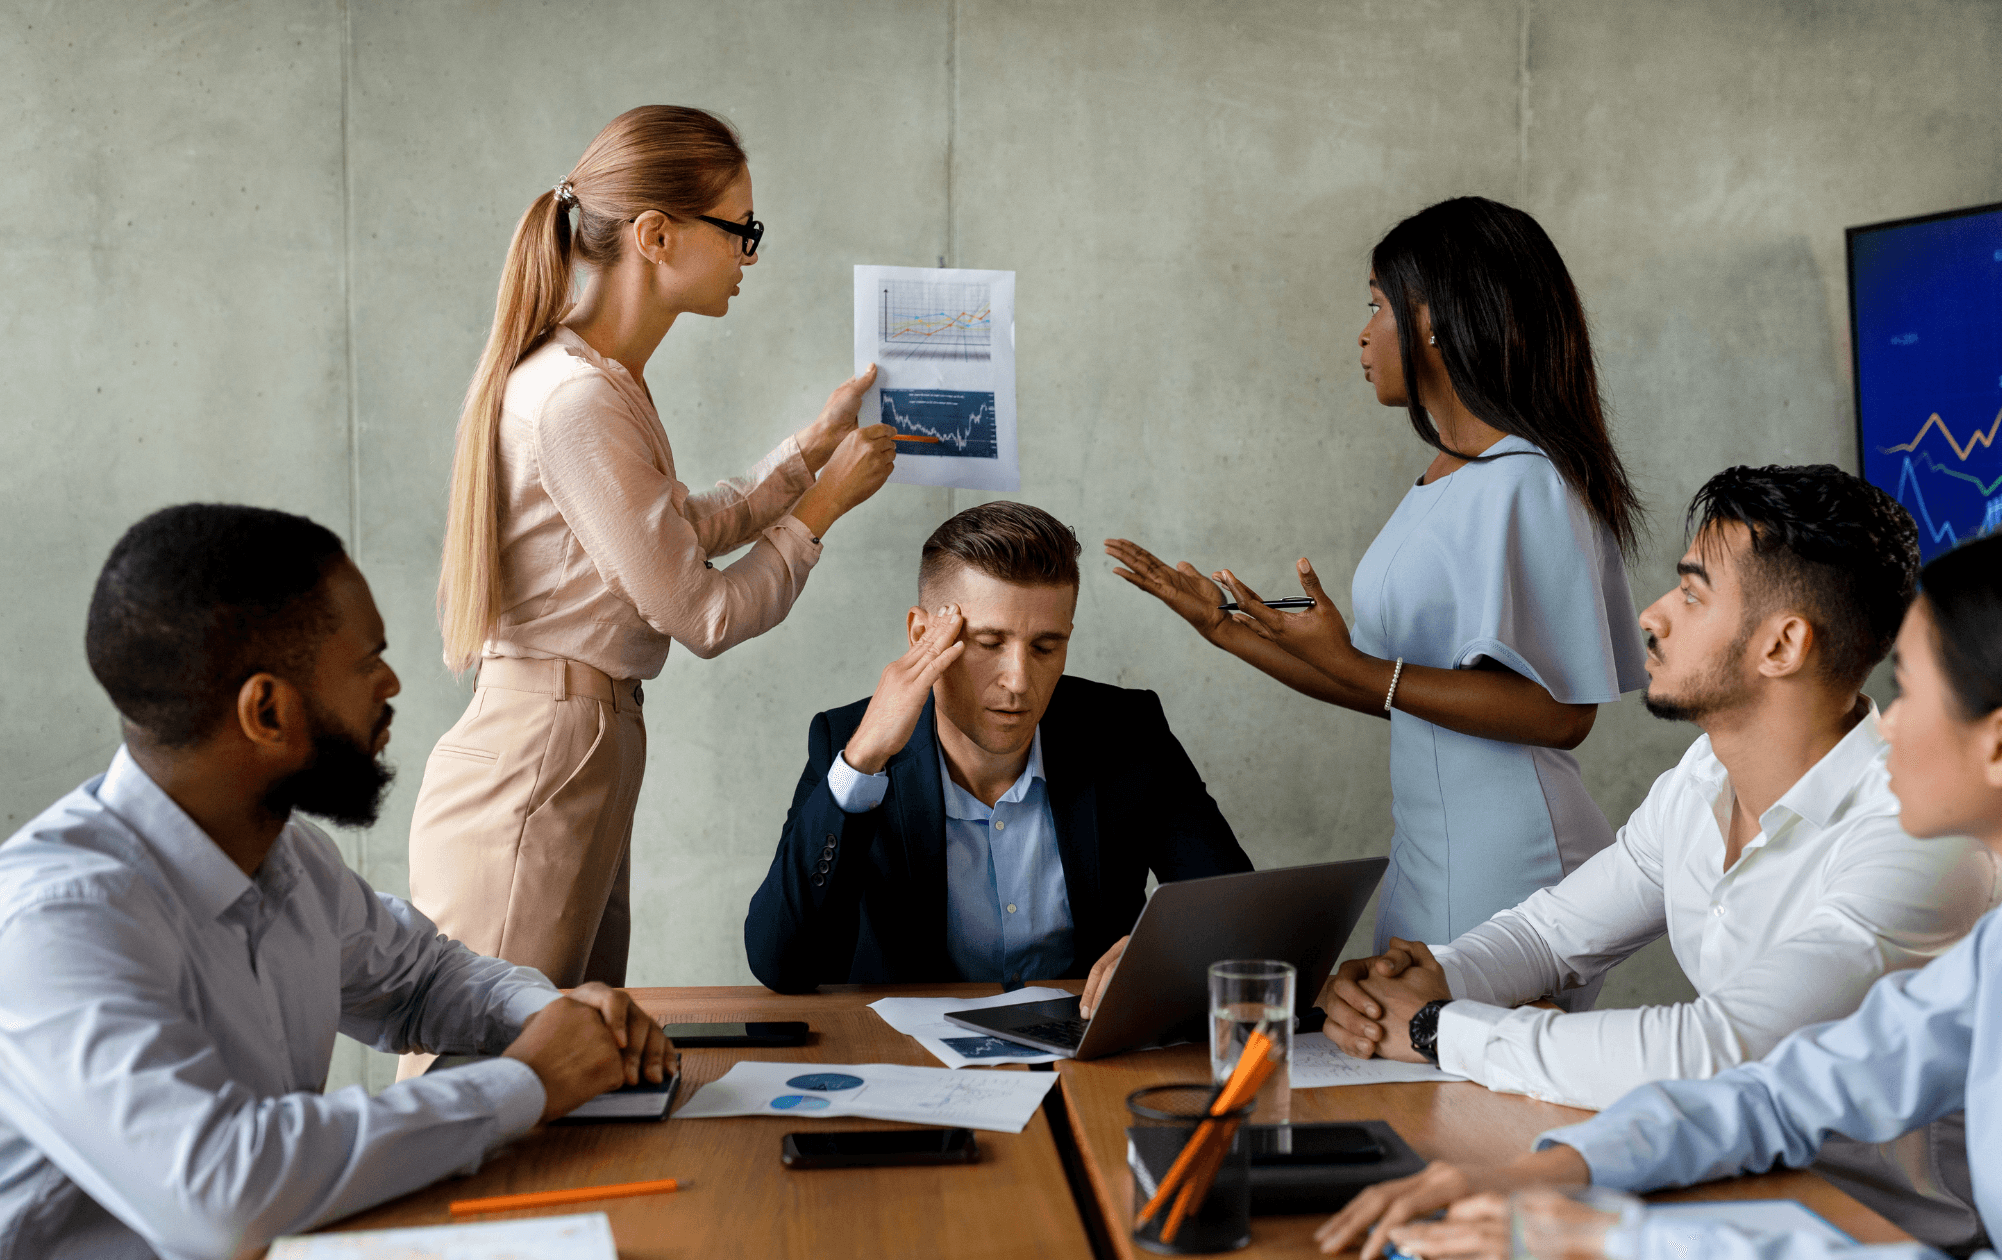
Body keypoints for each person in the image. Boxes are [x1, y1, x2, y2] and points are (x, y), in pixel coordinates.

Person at [1317, 518, 2002, 1260]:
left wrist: (1623, 1240)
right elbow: (1781, 1092)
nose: (1890, 725)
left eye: (1911, 691)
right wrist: (1550, 1174)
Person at [0, 505, 675, 1259]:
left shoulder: (289, 857)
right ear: (267, 710)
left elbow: (422, 981)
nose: (392, 682)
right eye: (368, 663)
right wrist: (528, 1081)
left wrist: (553, 1015)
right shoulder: (56, 921)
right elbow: (224, 1192)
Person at [409, 105, 898, 1003]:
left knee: (565, 1061)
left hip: (577, 743)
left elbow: (679, 529)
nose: (750, 255)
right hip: (546, 752)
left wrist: (810, 451)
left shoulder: (601, 385)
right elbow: (701, 613)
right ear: (656, 235)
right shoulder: (575, 401)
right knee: (488, 1069)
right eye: (739, 229)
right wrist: (824, 505)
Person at [1108, 196, 1646, 954]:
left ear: (1432, 319)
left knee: (1449, 1065)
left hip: (1506, 858)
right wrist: (1221, 629)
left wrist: (1367, 670)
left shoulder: (1528, 482)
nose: (1362, 335)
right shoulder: (1450, 476)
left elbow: (1562, 714)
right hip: (1433, 851)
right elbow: (1378, 684)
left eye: (1375, 306)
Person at [746, 502, 1253, 992]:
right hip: (910, 1065)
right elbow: (782, 965)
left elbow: (1240, 917)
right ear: (924, 634)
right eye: (989, 644)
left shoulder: (1127, 731)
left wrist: (1169, 954)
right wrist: (862, 763)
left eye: (1045, 647)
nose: (1019, 682)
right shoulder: (848, 741)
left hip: (1087, 1063)